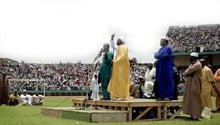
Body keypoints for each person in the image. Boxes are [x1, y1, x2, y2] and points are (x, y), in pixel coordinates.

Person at [183, 52, 203, 121]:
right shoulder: (193, 64)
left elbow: (187, 72)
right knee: (191, 99)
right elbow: (186, 72)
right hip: (191, 83)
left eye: (191, 57)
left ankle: (196, 116)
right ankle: (192, 114)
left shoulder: (197, 64)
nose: (190, 58)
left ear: (194, 58)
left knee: (195, 99)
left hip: (195, 83)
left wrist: (187, 72)